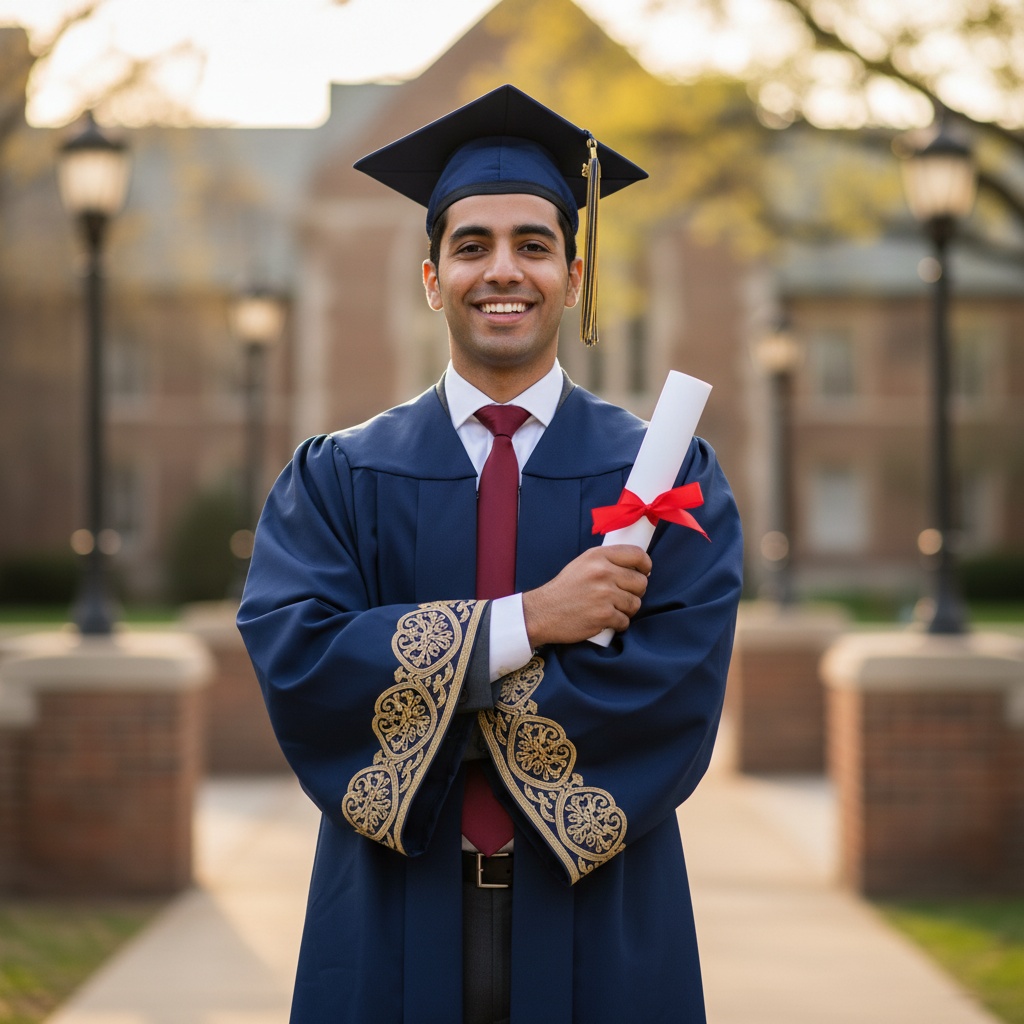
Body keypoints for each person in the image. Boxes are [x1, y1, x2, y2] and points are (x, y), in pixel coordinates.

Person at [237, 83, 743, 1024]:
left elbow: (672, 700)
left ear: (574, 275)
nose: (501, 270)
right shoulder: (338, 477)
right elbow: (301, 663)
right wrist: (531, 622)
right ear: (432, 279)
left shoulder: (665, 475)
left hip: (601, 920)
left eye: (533, 245)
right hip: (388, 919)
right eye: (471, 246)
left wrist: (433, 708)